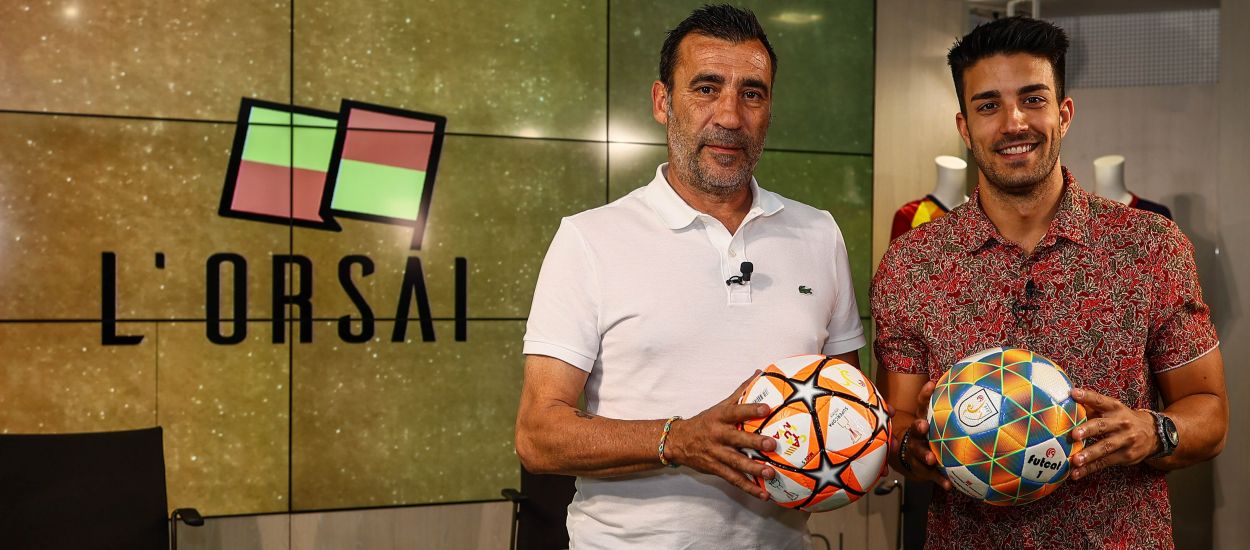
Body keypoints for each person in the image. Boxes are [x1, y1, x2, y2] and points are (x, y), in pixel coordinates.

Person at [514, 5, 864, 548]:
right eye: (706, 88)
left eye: (752, 93)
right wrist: (677, 440)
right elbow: (538, 435)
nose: (730, 116)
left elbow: (847, 410)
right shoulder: (589, 239)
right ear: (662, 102)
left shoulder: (819, 235)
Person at [871, 16, 1228, 548]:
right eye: (988, 105)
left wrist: (1151, 431)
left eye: (1033, 99)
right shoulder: (911, 264)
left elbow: (1209, 412)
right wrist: (914, 449)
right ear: (965, 127)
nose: (1013, 122)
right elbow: (896, 421)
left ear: (1064, 113)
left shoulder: (1151, 246)